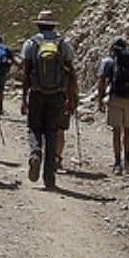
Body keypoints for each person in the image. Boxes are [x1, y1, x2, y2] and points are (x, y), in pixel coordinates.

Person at [21, 10, 78, 190]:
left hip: (37, 93)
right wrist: (71, 98)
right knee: (52, 133)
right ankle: (49, 178)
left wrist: (24, 97)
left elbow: (26, 73)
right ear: (54, 26)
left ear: (38, 25)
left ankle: (35, 153)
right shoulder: (63, 44)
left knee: (34, 128)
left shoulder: (31, 44)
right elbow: (71, 73)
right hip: (57, 95)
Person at [96, 37, 129, 175]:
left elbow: (102, 81)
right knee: (128, 130)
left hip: (115, 98)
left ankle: (117, 163)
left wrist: (100, 100)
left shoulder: (109, 62)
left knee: (116, 131)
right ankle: (128, 162)